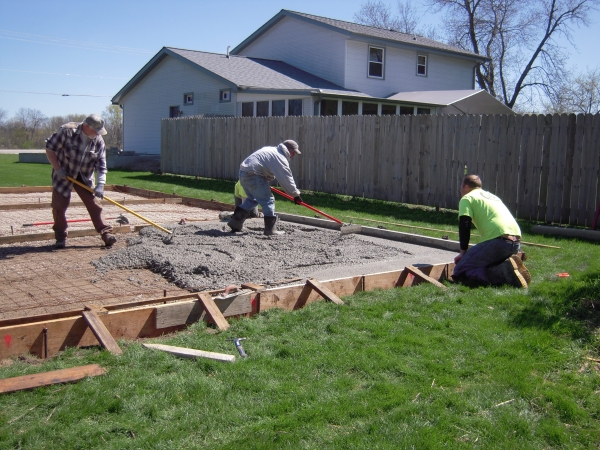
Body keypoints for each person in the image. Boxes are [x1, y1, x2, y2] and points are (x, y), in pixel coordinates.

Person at [45, 114, 116, 249]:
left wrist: (101, 184)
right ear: (86, 126)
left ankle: (106, 233)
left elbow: (101, 164)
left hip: (83, 175)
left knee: (94, 205)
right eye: (95, 131)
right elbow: (50, 148)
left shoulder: (98, 140)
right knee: (59, 206)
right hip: (63, 174)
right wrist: (57, 168)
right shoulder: (67, 131)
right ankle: (60, 237)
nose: (97, 134)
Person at [452, 174, 531, 288]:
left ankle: (505, 275)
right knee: (484, 262)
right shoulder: (492, 196)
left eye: (460, 187)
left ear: (465, 186)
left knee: (460, 270)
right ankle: (506, 267)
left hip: (499, 242)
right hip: (515, 243)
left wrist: (463, 253)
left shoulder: (467, 197)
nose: (460, 190)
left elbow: (465, 225)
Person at [228, 139, 302, 235]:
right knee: (268, 200)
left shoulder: (270, 150)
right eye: (293, 152)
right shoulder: (280, 157)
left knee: (252, 200)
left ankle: (235, 223)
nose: (293, 155)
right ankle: (270, 230)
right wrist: (295, 194)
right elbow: (286, 178)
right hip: (254, 174)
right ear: (288, 149)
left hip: (243, 173)